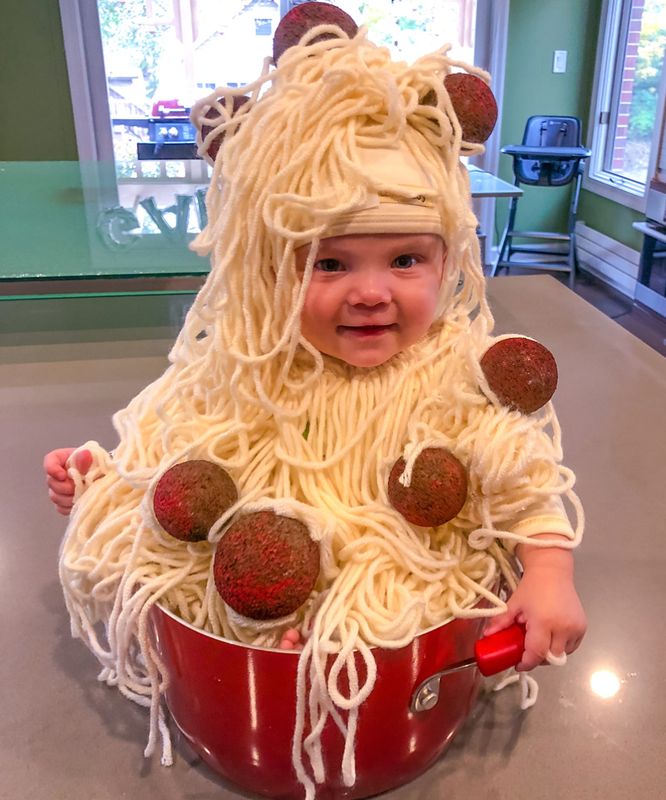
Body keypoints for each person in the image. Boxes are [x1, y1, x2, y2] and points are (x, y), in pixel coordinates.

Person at [44, 24, 586, 794]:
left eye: (405, 260)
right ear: (268, 272)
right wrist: (97, 481)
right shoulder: (247, 366)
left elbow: (518, 470)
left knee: (434, 565)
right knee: (211, 559)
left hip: (410, 595)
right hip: (260, 574)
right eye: (328, 263)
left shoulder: (454, 372)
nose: (370, 291)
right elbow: (177, 449)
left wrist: (550, 570)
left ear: (447, 260)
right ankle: (261, 620)